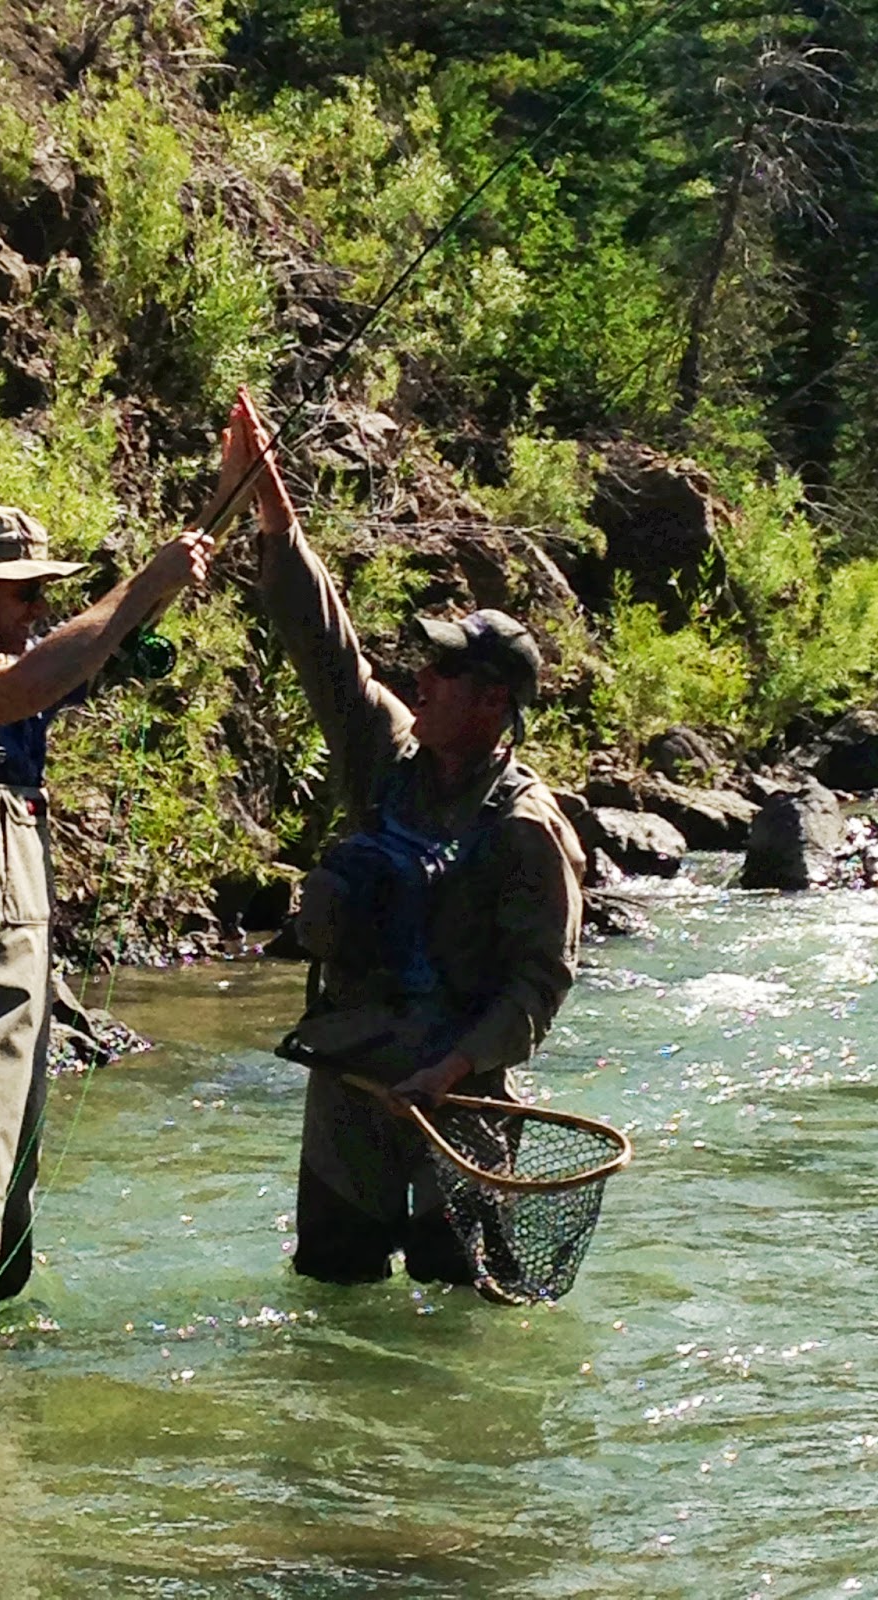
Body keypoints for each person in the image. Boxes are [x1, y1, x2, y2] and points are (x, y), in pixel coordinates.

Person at [0, 474, 236, 1338]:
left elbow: (67, 660)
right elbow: (24, 687)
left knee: (1, 1221)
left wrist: (201, 528)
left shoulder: (10, 669)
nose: (37, 612)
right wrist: (147, 583)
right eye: (26, 595)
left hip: (7, 993)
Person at [231, 390, 586, 1287]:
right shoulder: (386, 755)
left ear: (495, 702)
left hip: (458, 1097)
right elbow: (327, 651)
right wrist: (276, 517)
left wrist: (452, 1068)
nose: (419, 679)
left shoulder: (528, 827)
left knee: (458, 1318)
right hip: (350, 1074)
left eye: (445, 671)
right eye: (424, 666)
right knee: (333, 1294)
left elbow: (540, 984)